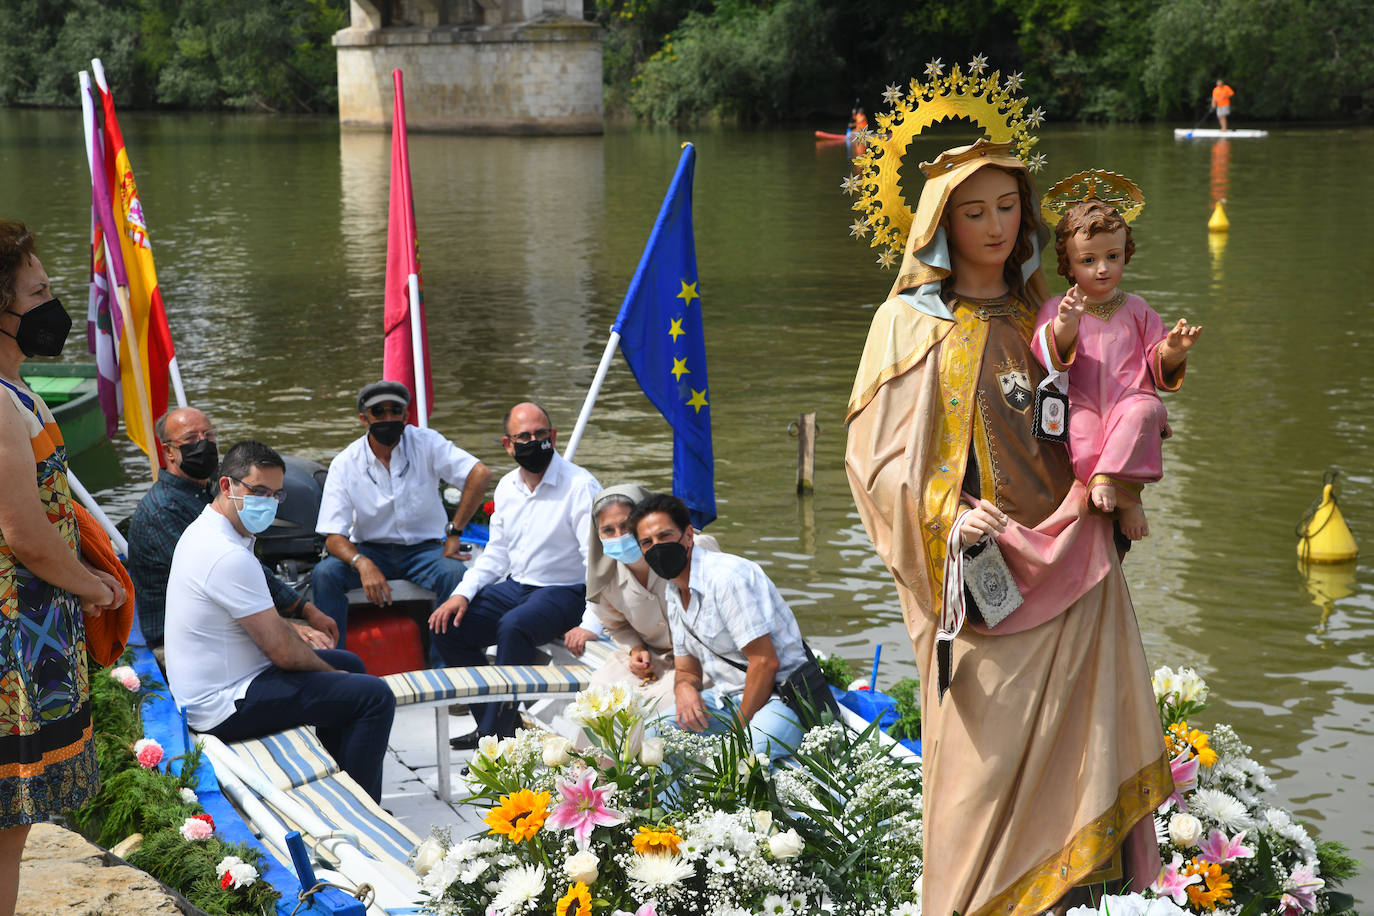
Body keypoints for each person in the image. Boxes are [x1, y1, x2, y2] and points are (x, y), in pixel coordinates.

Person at [844, 139, 1173, 914]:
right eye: (973, 211)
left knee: (1080, 759)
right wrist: (944, 511)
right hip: (979, 575)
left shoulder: (1050, 311)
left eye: (1007, 206)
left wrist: (1126, 455)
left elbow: (1113, 400)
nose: (994, 225)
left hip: (1073, 556)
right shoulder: (904, 325)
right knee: (976, 776)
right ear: (939, 224)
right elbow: (872, 463)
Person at [0, 219, 127, 916]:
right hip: (12, 638)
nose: (53, 304)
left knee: (11, 823)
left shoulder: (17, 389)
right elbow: (23, 530)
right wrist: (97, 586)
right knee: (7, 819)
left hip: (33, 628)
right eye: (38, 291)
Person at [164, 441, 395, 801]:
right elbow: (283, 654)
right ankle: (366, 809)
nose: (268, 502)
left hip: (228, 682)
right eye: (259, 492)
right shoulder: (225, 554)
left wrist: (324, 662)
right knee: (374, 696)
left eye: (275, 494)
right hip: (223, 705)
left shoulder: (209, 531)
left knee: (350, 665)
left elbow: (261, 623)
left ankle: (342, 789)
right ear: (227, 486)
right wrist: (329, 675)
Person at [429, 402, 601, 739]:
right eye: (524, 436)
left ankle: (498, 737)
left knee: (514, 627)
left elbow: (596, 562)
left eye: (541, 434)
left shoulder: (580, 486)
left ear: (553, 437)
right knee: (446, 626)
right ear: (508, 444)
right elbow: (496, 554)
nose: (534, 441)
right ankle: (492, 724)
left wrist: (591, 623)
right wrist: (461, 594)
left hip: (566, 590)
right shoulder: (508, 487)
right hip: (518, 586)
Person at [1036, 198, 1202, 540]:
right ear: (1067, 264)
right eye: (1088, 260)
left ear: (1126, 253)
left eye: (1112, 256)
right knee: (1079, 434)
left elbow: (1158, 361)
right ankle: (1127, 497)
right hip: (1081, 402)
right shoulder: (1059, 307)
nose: (1102, 268)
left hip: (1130, 400)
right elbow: (1047, 355)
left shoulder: (1138, 309)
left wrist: (1173, 349)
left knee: (1147, 411)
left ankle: (1116, 488)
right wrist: (1067, 322)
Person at [127, 406, 337, 650]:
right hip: (184, 639)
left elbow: (247, 567)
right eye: (191, 438)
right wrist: (288, 626)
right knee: (314, 654)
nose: (203, 444)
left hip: (223, 619)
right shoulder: (163, 511)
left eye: (208, 435)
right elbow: (222, 580)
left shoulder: (205, 494)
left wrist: (304, 608)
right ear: (169, 452)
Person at [629, 493, 807, 760]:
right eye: (647, 542)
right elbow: (687, 670)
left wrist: (737, 730)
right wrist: (684, 689)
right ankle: (671, 804)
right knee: (657, 734)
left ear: (688, 535)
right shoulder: (674, 591)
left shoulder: (726, 578)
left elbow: (764, 662)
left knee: (741, 757)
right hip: (729, 699)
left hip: (783, 699)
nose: (656, 547)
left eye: (664, 536)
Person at [313, 380, 491, 648]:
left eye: (395, 411)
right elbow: (333, 537)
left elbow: (480, 475)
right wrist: (362, 562)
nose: (388, 418)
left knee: (454, 574)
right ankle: (334, 662)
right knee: (325, 575)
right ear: (364, 418)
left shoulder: (427, 442)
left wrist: (455, 531)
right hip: (370, 550)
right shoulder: (344, 463)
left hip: (426, 552)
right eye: (378, 412)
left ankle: (447, 670)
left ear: (406, 415)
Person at [580, 484, 720, 726]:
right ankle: (595, 764)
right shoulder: (605, 579)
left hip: (704, 657)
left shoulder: (691, 548)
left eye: (626, 526)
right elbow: (616, 625)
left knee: (660, 706)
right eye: (608, 530)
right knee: (599, 699)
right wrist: (635, 649)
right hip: (653, 658)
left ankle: (646, 763)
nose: (619, 536)